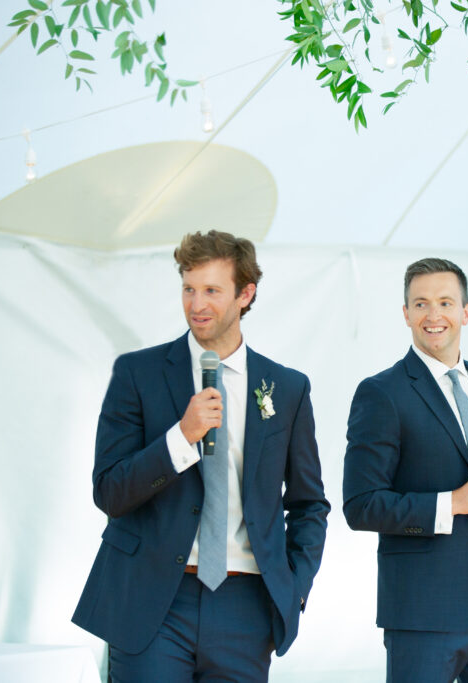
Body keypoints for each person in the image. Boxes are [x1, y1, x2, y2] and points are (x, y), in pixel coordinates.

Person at [72, 230, 330, 681]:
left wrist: (294, 586)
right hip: (151, 600)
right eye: (189, 289)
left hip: (246, 605)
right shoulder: (137, 374)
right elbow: (109, 491)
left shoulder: (287, 388)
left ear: (245, 294)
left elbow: (309, 504)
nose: (196, 304)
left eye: (212, 290)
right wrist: (180, 437)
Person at [342, 257, 468, 682]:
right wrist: (452, 503)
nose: (433, 315)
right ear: (405, 315)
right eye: (420, 304)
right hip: (425, 608)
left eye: (445, 302)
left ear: (466, 312)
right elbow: (361, 506)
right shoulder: (382, 393)